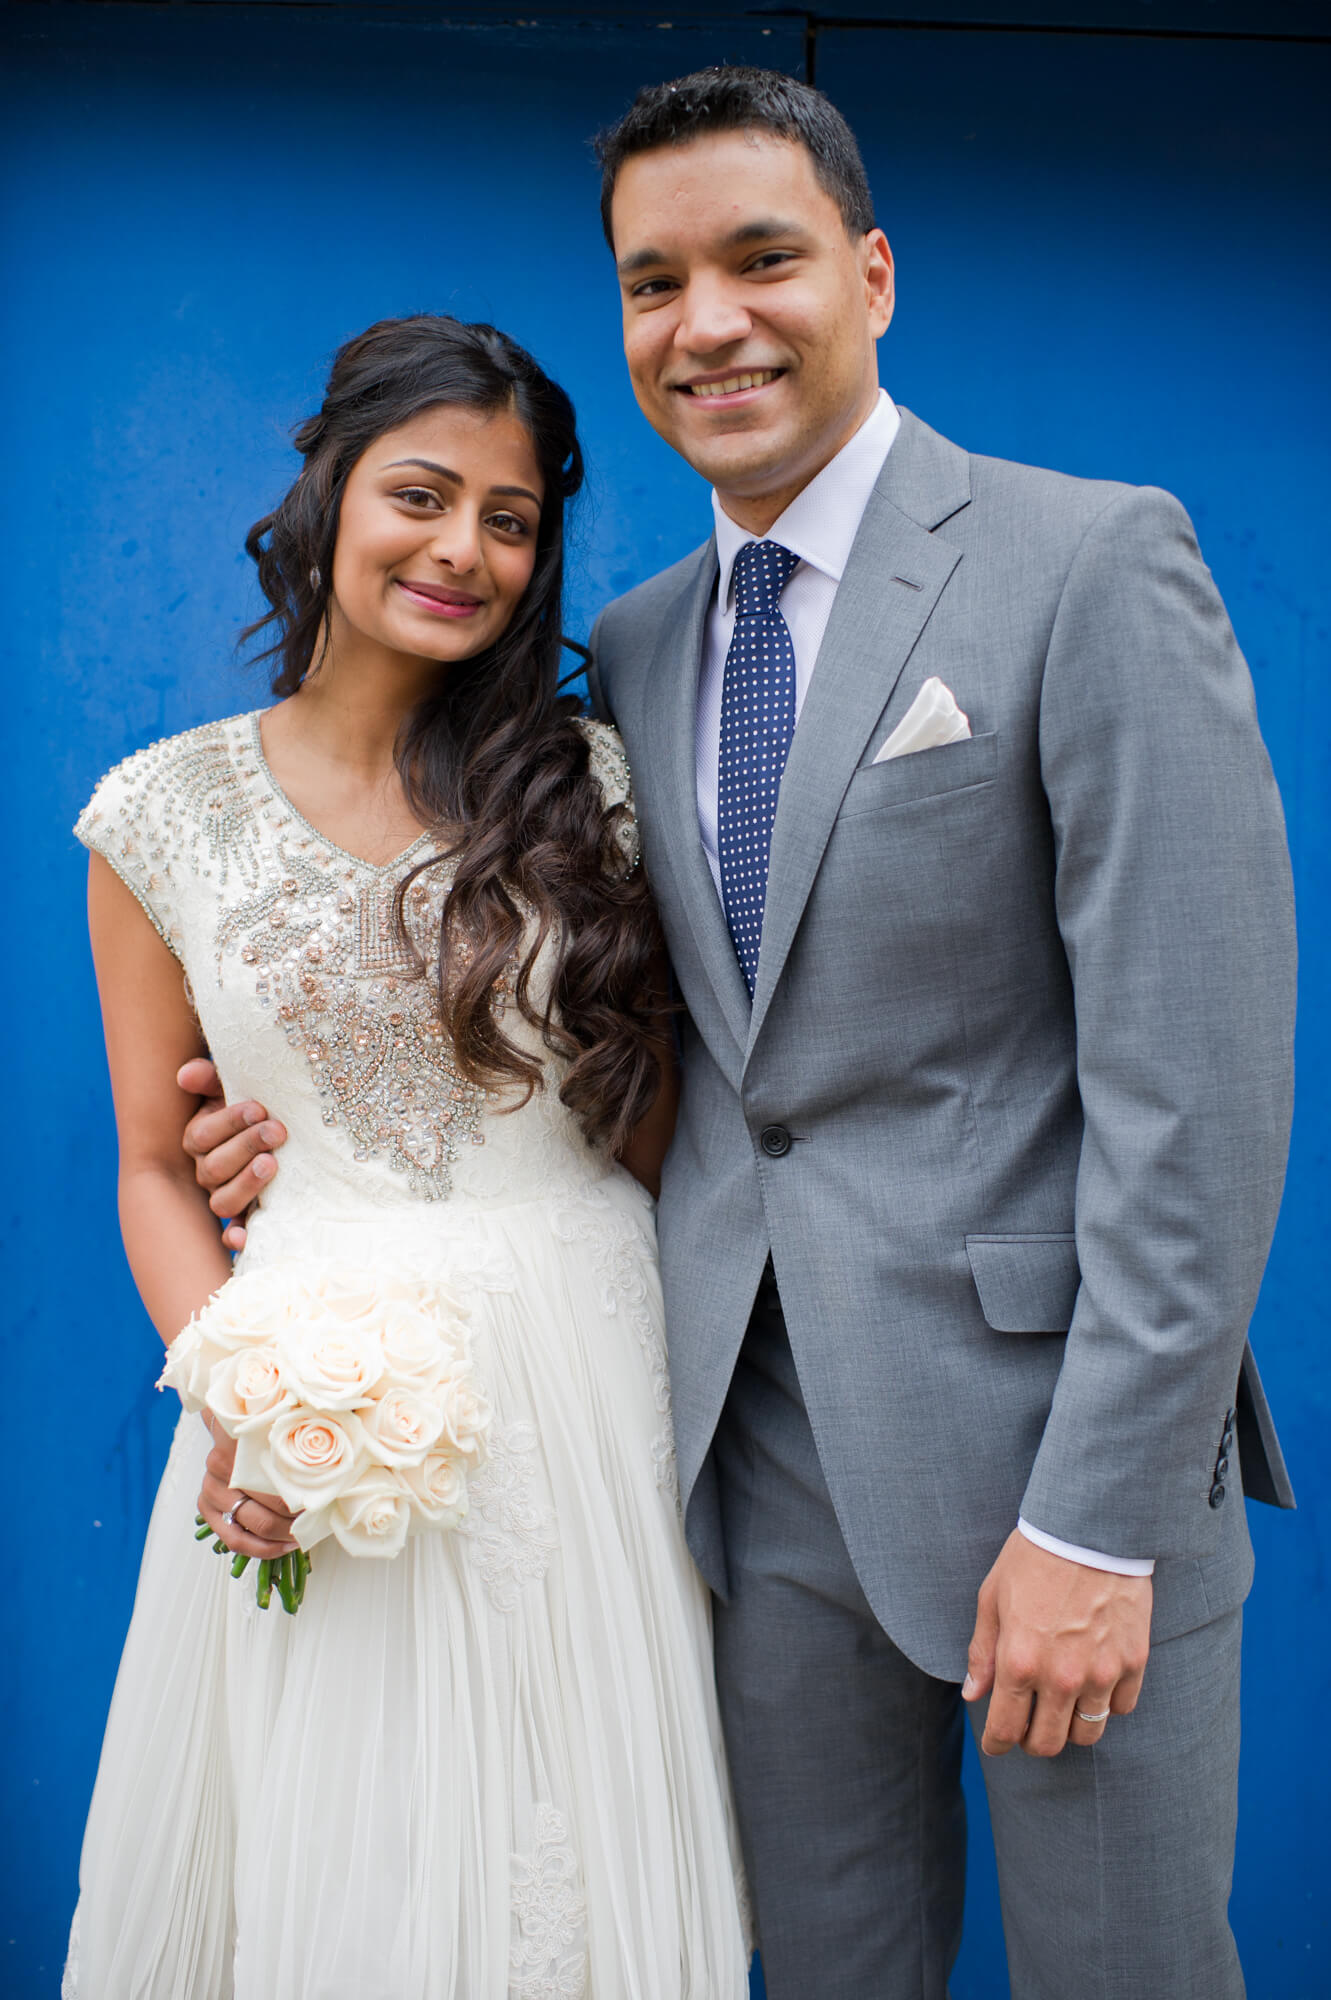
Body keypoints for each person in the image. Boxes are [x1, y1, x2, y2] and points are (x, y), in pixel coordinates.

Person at [185, 69, 1298, 2000]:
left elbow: (1195, 1093)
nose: (706, 321)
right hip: (743, 1464)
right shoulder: (625, 645)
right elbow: (613, 1021)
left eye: (760, 259)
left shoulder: (1091, 562)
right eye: (653, 281)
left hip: (1056, 1459)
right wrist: (289, 1124)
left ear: (868, 272)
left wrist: (1098, 1524)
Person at [66, 312, 750, 1999]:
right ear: (327, 490)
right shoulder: (157, 812)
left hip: (590, 1360)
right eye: (422, 496)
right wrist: (235, 1386)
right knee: (345, 1856)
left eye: (509, 522)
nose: (463, 551)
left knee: (571, 1847)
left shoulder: (589, 783)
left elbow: (668, 1109)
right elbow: (159, 1162)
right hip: (312, 1380)